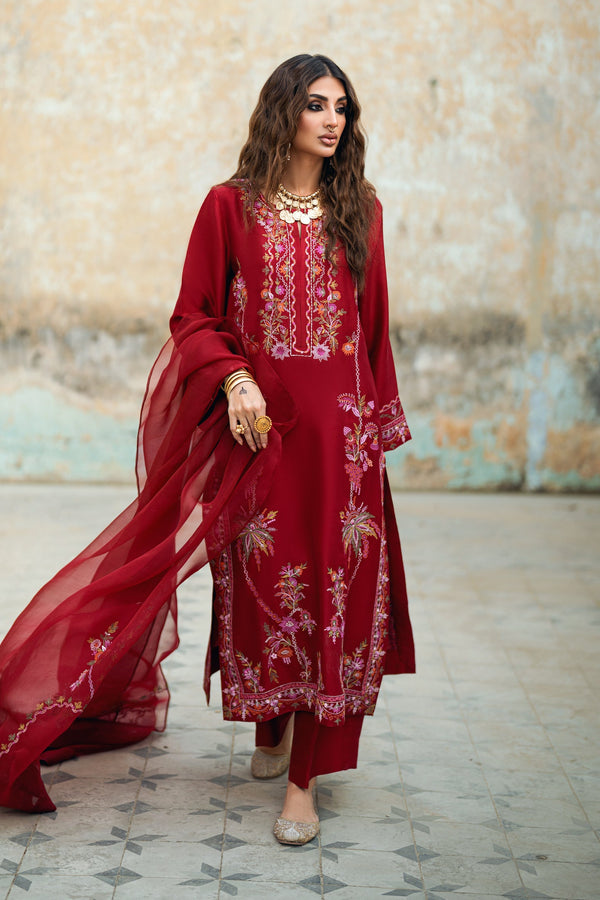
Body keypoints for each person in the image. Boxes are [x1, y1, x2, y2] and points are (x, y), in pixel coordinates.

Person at [0, 54, 414, 846]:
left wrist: (377, 434)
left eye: (343, 108)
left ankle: (304, 782)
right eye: (317, 105)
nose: (332, 120)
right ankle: (272, 724)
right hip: (260, 437)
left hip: (343, 444)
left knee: (336, 597)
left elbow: (373, 331)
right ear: (284, 111)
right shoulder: (228, 207)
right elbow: (192, 316)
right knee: (265, 588)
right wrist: (235, 380)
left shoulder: (361, 209)